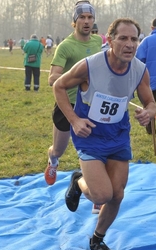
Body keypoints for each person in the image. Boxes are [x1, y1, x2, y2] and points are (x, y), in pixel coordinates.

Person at [53, 17, 156, 250]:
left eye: (134, 39)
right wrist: (75, 120)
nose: (130, 44)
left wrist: (149, 111)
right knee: (101, 195)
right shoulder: (89, 66)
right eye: (123, 38)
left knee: (117, 195)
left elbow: (149, 101)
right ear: (110, 40)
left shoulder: (140, 70)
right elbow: (58, 86)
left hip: (118, 134)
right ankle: (79, 180)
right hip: (89, 134)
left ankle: (97, 239)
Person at [44, 1, 102, 186]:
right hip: (67, 106)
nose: (86, 21)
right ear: (74, 21)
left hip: (90, 105)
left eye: (90, 17)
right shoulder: (66, 46)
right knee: (59, 150)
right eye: (82, 17)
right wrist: (79, 79)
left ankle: (97, 195)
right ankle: (52, 161)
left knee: (94, 151)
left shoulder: (98, 41)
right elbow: (53, 79)